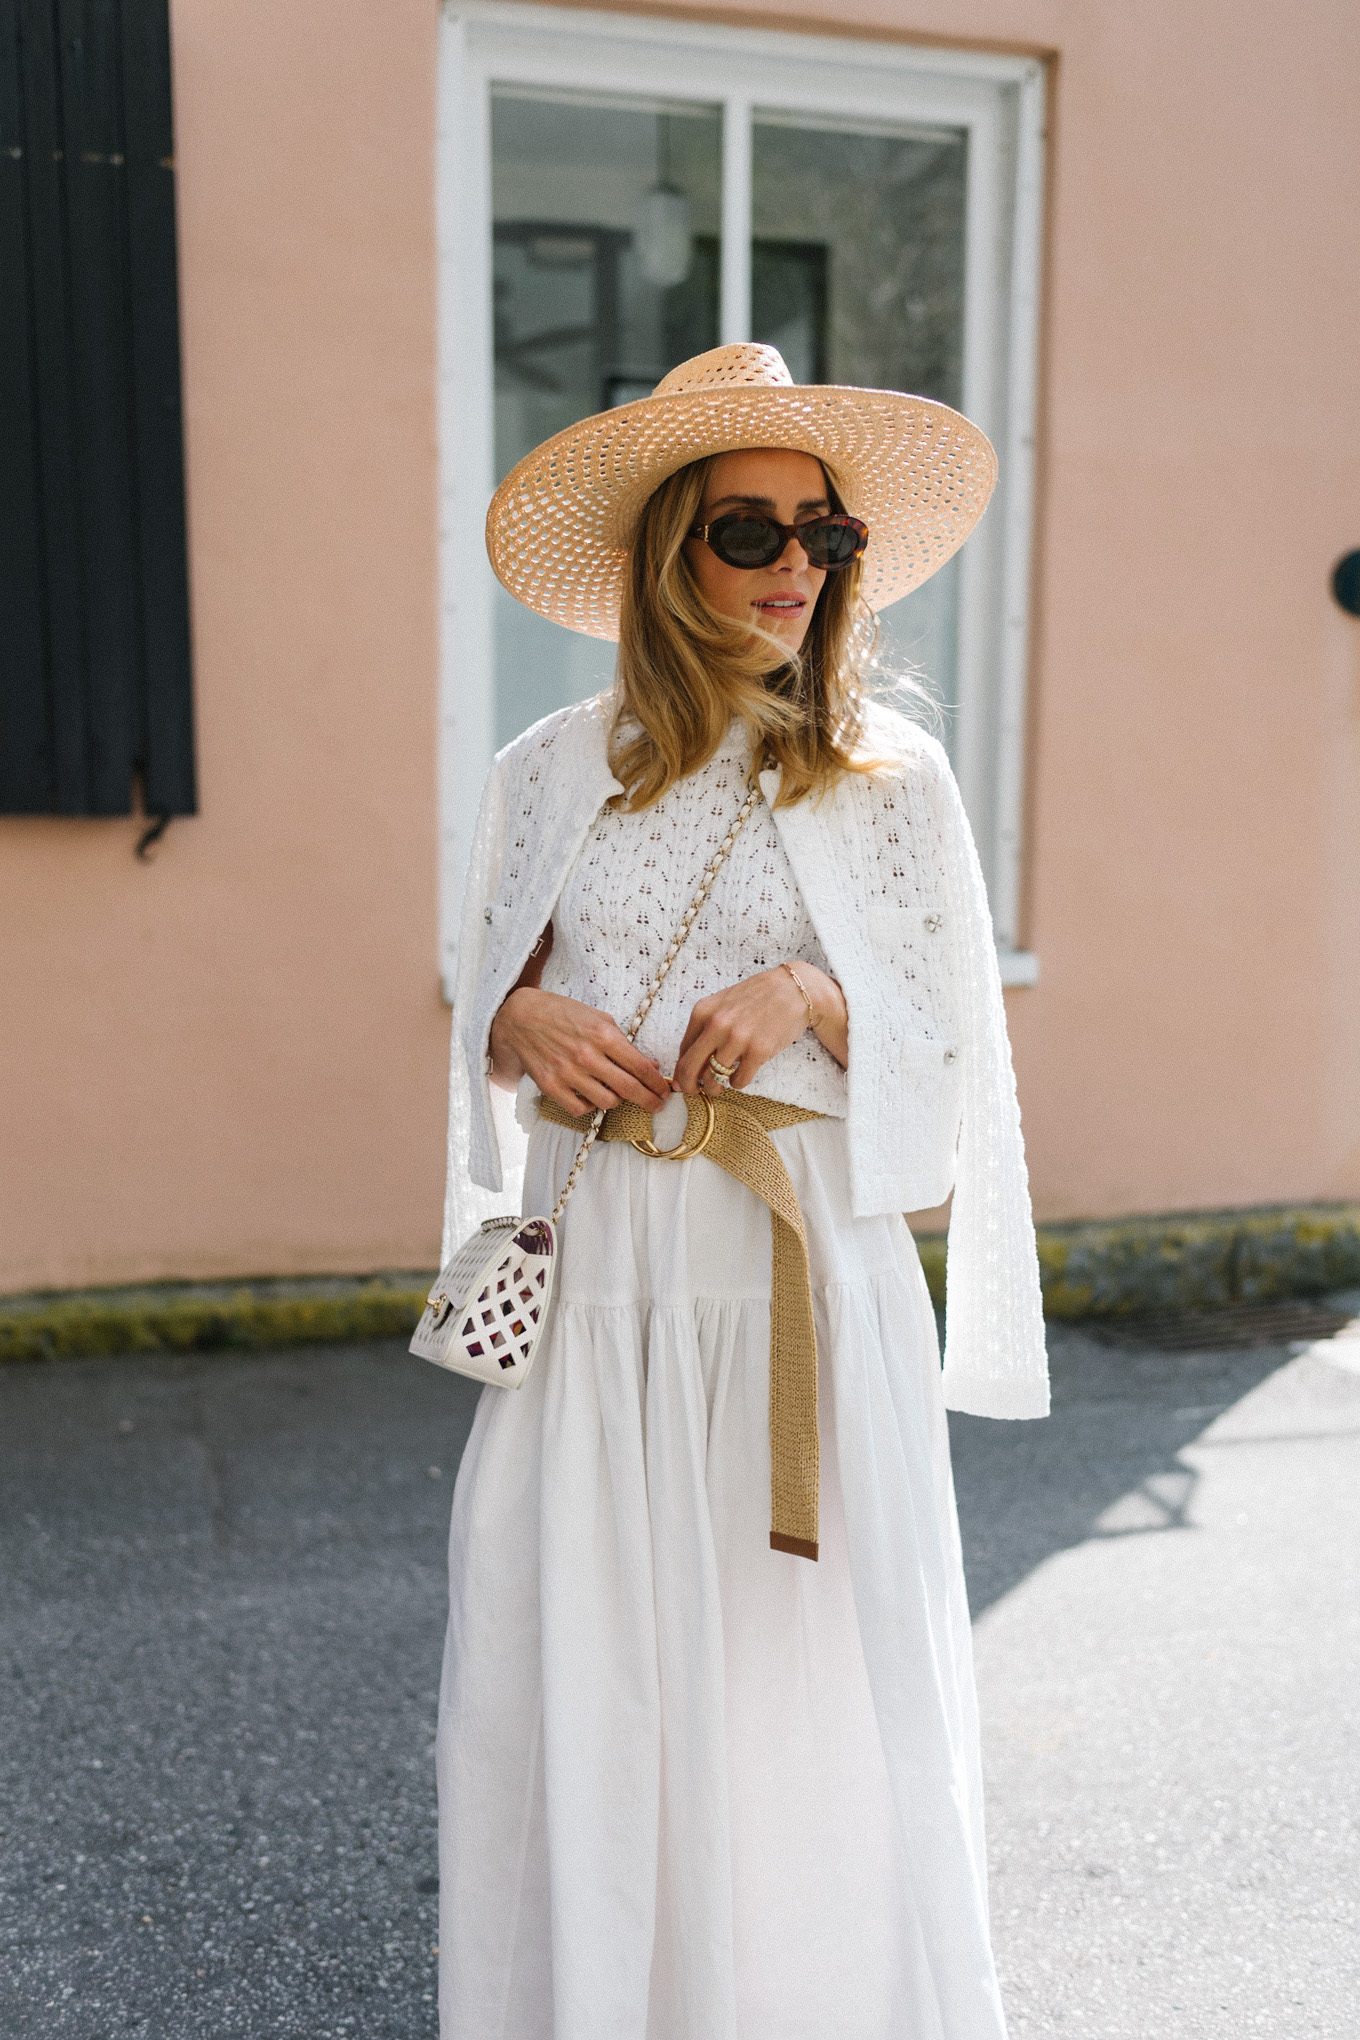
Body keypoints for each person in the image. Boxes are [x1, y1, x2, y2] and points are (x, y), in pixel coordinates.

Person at [433, 342, 1050, 2040]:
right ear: (660, 558)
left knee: (803, 1680)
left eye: (824, 539)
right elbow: (482, 1009)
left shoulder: (888, 781)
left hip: (793, 1290)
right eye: (750, 534)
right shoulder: (548, 769)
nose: (795, 568)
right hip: (603, 1294)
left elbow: (955, 1053)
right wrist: (513, 1018)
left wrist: (821, 999)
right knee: (599, 1670)